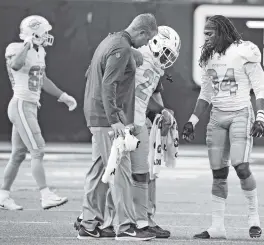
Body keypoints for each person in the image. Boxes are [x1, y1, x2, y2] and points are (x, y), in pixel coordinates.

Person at [182, 15, 264, 239]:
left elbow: (259, 88)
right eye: (205, 34)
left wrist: (260, 117)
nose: (206, 38)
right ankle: (218, 227)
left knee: (240, 166)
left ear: (221, 31)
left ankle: (254, 219)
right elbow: (206, 94)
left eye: (210, 33)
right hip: (217, 116)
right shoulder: (208, 57)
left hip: (240, 112)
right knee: (218, 173)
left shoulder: (244, 51)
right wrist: (192, 121)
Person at [79, 13, 158, 241]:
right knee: (120, 171)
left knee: (99, 170)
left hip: (97, 115)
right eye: (148, 39)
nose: (146, 45)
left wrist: (129, 53)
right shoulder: (120, 47)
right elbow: (108, 84)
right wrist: (115, 119)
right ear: (141, 32)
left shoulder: (112, 40)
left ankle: (89, 223)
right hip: (107, 119)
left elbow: (93, 71)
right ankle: (125, 227)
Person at [0, 15, 77, 210]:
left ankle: (3, 195)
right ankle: (45, 194)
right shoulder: (16, 48)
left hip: (31, 106)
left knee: (18, 154)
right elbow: (15, 65)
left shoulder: (40, 51)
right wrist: (26, 45)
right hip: (21, 104)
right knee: (38, 150)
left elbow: (42, 80)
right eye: (44, 32)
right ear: (33, 33)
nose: (47, 36)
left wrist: (63, 96)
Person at [130, 26, 180, 238]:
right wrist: (161, 111)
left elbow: (155, 93)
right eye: (167, 51)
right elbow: (136, 93)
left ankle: (147, 218)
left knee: (149, 171)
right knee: (129, 172)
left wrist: (162, 116)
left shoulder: (156, 66)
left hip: (144, 119)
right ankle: (102, 218)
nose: (168, 57)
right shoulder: (138, 58)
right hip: (130, 120)